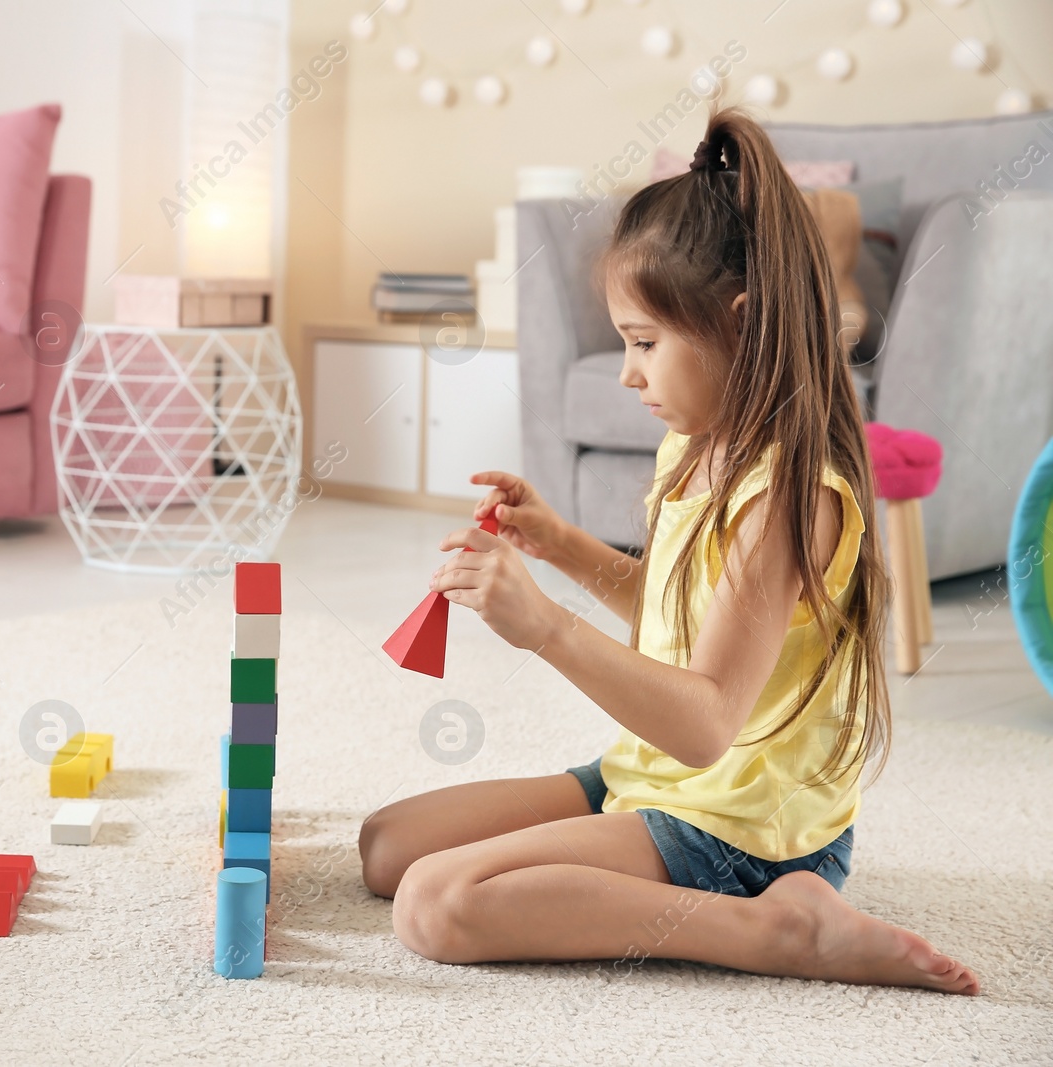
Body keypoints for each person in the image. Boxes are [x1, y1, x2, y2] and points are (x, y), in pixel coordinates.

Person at [357, 105, 978, 995]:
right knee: (387, 847)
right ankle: (690, 885)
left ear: (740, 321)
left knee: (434, 904)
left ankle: (777, 928)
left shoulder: (788, 500)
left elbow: (704, 722)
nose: (627, 372)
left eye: (645, 342)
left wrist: (544, 629)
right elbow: (680, 617)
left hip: (741, 826)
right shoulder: (693, 448)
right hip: (653, 782)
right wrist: (564, 545)